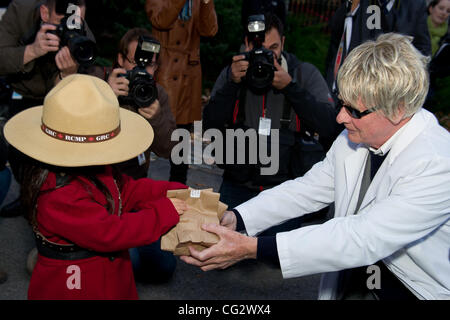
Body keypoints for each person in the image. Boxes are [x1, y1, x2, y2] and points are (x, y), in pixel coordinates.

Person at [181, 33, 450, 300]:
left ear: (398, 109)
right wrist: (238, 218)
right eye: (341, 102)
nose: (341, 116)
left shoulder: (438, 163)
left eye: (354, 110)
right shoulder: (353, 137)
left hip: (409, 290)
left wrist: (252, 248)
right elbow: (307, 190)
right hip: (354, 277)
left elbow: (363, 236)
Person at [3, 74, 188, 299]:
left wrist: (172, 191)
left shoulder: (94, 168)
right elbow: (111, 232)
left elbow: (126, 190)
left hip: (108, 274)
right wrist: (164, 212)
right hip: (76, 286)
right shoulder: (58, 194)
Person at [203, 12, 337, 232]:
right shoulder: (233, 73)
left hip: (285, 194)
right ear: (246, 44)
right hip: (238, 185)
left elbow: (329, 125)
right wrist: (232, 84)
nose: (264, 56)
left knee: (278, 261)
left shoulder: (302, 74)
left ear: (283, 43)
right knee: (220, 257)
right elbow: (210, 126)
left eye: (272, 49)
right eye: (258, 47)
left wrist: (290, 87)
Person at [90, 28, 179, 284]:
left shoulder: (156, 94)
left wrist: (157, 119)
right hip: (96, 190)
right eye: (136, 62)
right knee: (128, 264)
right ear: (120, 59)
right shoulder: (99, 81)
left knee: (163, 267)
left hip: (133, 192)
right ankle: (69, 249)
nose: (143, 70)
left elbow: (170, 148)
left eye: (150, 64)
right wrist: (103, 97)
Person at [0, 0, 94, 217]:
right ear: (44, 12)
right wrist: (32, 50)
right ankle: (27, 196)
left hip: (58, 92)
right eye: (65, 22)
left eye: (77, 22)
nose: (72, 27)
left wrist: (71, 71)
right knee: (18, 155)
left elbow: (90, 65)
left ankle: (50, 206)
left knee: (58, 155)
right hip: (23, 91)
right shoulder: (20, 10)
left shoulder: (76, 16)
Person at [145, 0, 218, 185]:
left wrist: (207, 3)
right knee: (149, 130)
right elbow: (160, 20)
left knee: (182, 140)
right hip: (163, 70)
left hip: (188, 75)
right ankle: (137, 184)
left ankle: (178, 189)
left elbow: (210, 30)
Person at [324, 0, 431, 104]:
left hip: (391, 89)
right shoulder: (358, 3)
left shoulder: (414, 5)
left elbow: (423, 47)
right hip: (350, 78)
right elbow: (337, 31)